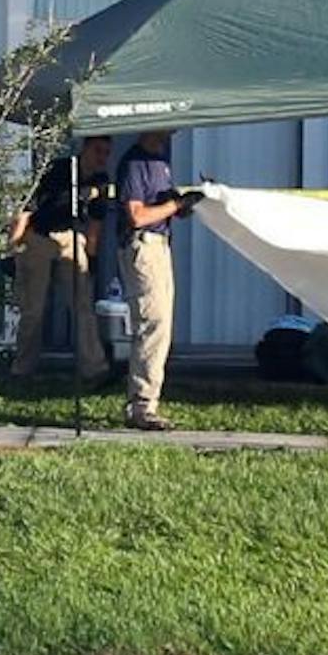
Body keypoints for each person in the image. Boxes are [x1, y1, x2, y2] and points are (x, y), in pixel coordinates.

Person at [116, 130, 202, 431]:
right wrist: (174, 206)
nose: (171, 134)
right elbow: (136, 215)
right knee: (152, 323)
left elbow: (161, 208)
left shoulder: (160, 162)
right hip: (143, 246)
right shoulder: (134, 163)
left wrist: (185, 204)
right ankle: (141, 406)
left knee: (162, 324)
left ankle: (147, 400)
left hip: (161, 245)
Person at [8, 135, 112, 383]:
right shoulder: (60, 170)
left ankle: (94, 368)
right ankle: (22, 370)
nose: (102, 158)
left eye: (107, 153)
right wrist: (13, 246)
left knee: (83, 304)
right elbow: (27, 207)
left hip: (70, 236)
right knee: (34, 308)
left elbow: (96, 222)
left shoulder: (100, 181)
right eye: (98, 150)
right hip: (39, 235)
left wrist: (92, 257)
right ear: (86, 148)